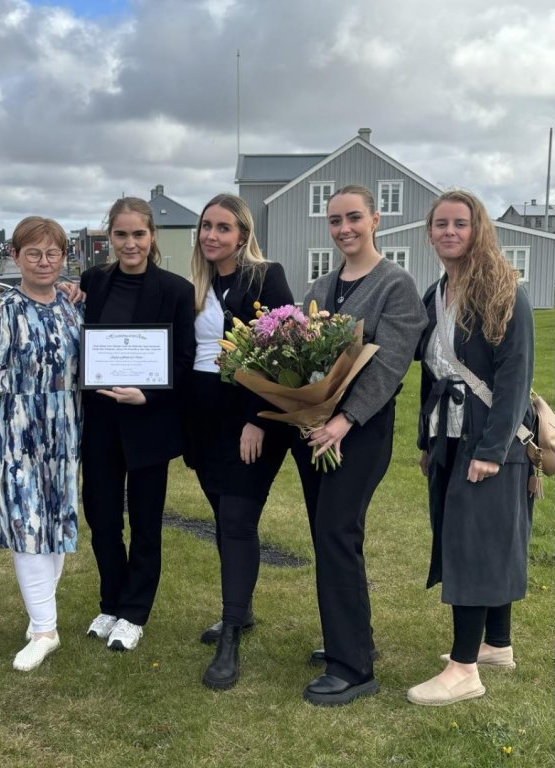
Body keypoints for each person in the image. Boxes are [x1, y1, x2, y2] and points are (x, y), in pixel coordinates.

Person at [292, 185, 427, 706]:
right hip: (316, 431)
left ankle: (354, 669)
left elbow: (390, 363)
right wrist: (307, 414)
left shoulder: (396, 285)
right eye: (334, 221)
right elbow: (303, 359)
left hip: (360, 433)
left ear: (375, 220)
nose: (343, 228)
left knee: (336, 532)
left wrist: (344, 420)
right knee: (329, 537)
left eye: (353, 218)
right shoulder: (321, 286)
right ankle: (345, 640)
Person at [406, 190, 535, 706]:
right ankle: (495, 644)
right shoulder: (436, 291)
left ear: (478, 228)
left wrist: (492, 450)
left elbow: (514, 378)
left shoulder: (505, 290)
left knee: (473, 545)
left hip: (488, 441)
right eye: (441, 224)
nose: (449, 231)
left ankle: (464, 670)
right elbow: (431, 370)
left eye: (460, 223)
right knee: (484, 538)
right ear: (430, 232)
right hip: (449, 435)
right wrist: (424, 439)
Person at [186, 193, 295, 690]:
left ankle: (231, 634)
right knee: (221, 515)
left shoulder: (265, 276)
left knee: (237, 518)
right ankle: (242, 611)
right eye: (206, 226)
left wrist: (259, 420)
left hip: (251, 420)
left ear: (243, 235)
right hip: (203, 418)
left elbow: (282, 350)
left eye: (223, 228)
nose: (212, 235)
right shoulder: (195, 283)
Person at [0, 216, 82, 672]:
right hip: (17, 431)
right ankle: (46, 629)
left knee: (54, 522)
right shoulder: (5, 309)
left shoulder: (72, 308)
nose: (44, 261)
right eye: (33, 253)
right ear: (15, 256)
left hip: (66, 430)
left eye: (53, 253)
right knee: (26, 524)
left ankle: (41, 620)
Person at [80, 197, 196, 651]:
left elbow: (184, 360)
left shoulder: (176, 290)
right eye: (121, 235)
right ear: (109, 237)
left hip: (148, 420)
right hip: (101, 423)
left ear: (152, 238)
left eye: (139, 234)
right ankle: (111, 602)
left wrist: (148, 393)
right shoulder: (94, 281)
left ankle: (135, 611)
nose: (130, 244)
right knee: (103, 518)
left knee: (146, 521)